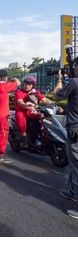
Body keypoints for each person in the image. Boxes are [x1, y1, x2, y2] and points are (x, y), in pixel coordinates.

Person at [53, 57, 78, 219]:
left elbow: (56, 96)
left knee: (77, 167)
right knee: (72, 162)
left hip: (75, 130)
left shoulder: (75, 82)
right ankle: (72, 191)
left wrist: (60, 80)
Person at [15, 76, 55, 147]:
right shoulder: (19, 92)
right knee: (19, 115)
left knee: (43, 123)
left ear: (32, 86)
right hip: (23, 111)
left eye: (29, 84)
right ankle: (24, 135)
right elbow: (20, 102)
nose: (26, 86)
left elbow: (45, 100)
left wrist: (55, 105)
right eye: (25, 84)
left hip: (33, 113)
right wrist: (27, 107)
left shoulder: (36, 92)